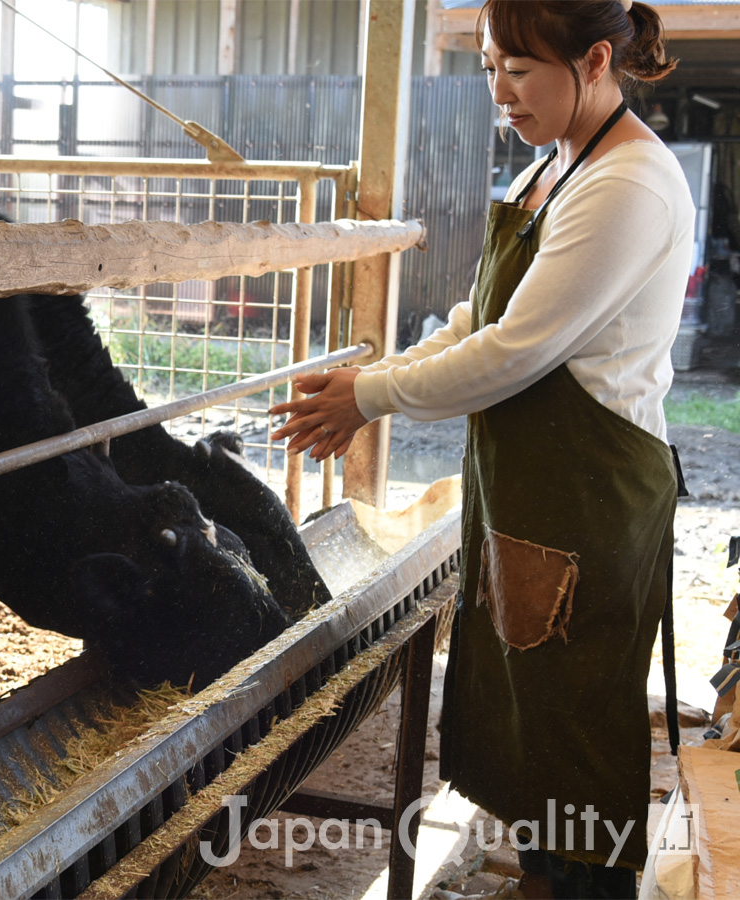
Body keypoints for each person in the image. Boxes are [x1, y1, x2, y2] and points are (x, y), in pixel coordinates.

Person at [271, 1, 691, 897]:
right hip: (533, 492)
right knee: (530, 707)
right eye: (490, 67)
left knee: (576, 724)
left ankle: (582, 887)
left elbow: (513, 352)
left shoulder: (628, 185)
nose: (501, 91)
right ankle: (543, 872)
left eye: (522, 69)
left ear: (595, 60)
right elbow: (475, 320)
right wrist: (372, 382)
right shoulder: (551, 170)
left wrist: (369, 397)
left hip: (590, 497)